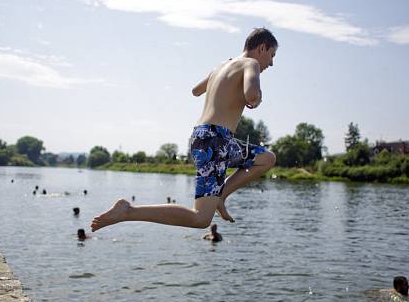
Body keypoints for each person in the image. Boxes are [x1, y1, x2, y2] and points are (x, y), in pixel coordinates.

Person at [91, 28, 277, 232]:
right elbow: (251, 94)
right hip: (215, 141)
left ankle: (220, 196)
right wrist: (256, 98)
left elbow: (196, 90)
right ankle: (128, 211)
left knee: (266, 158)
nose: (271, 63)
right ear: (262, 47)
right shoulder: (251, 64)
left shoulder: (222, 66)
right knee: (201, 219)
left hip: (208, 137)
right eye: (272, 55)